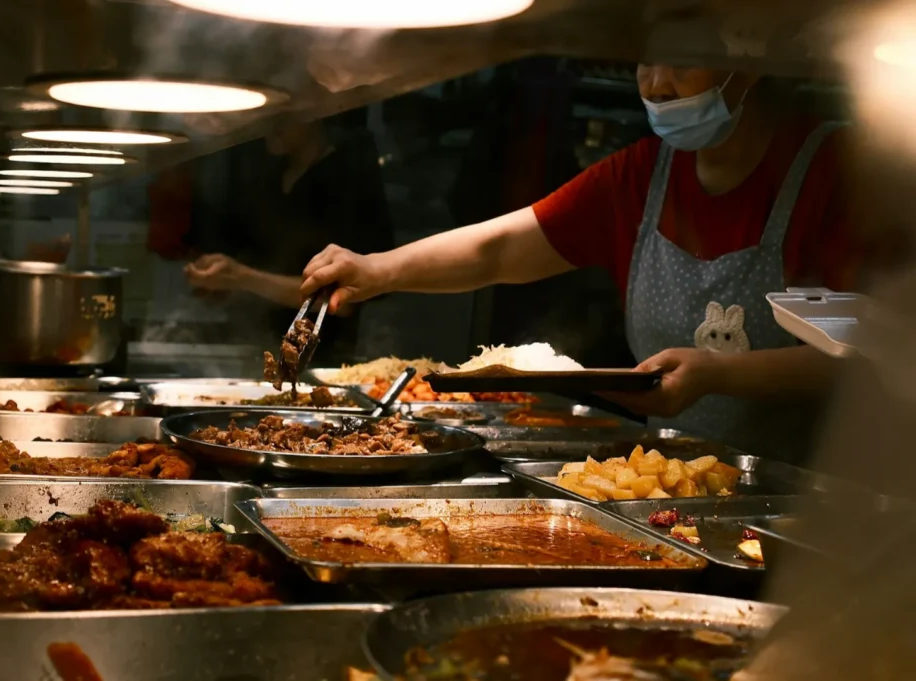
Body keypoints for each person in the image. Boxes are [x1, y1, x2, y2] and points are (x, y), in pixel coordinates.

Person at [300, 66, 860, 463]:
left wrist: (716, 373)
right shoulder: (644, 176)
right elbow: (500, 248)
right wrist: (377, 269)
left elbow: (871, 362)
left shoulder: (839, 174)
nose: (658, 84)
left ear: (752, 57)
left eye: (683, 60)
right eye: (646, 59)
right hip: (682, 488)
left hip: (820, 510)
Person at [150, 117, 394, 364]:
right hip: (258, 346)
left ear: (313, 114)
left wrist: (242, 277)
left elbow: (342, 302)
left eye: (282, 118)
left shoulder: (345, 178)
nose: (269, 128)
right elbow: (260, 266)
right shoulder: (269, 176)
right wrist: (221, 282)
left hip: (328, 360)